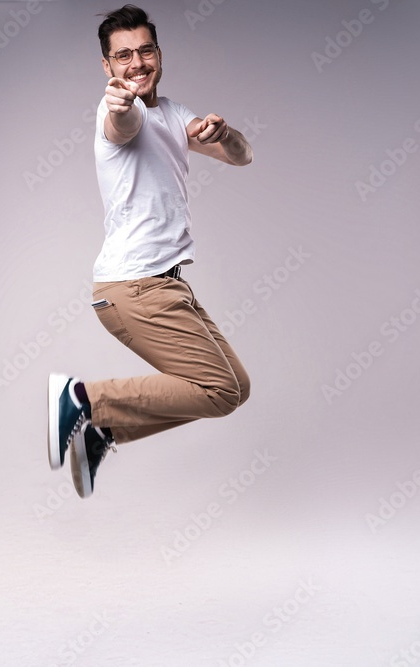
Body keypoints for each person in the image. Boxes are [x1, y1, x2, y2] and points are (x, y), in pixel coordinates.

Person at [48, 4, 253, 498]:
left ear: (158, 53)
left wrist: (224, 135)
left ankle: (103, 431)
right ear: (107, 67)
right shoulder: (123, 111)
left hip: (166, 282)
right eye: (123, 56)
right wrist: (118, 106)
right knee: (218, 390)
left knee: (235, 388)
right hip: (134, 286)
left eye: (144, 50)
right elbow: (120, 125)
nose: (136, 63)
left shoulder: (173, 113)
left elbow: (243, 157)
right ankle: (83, 399)